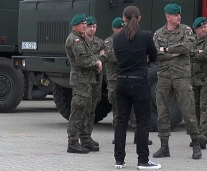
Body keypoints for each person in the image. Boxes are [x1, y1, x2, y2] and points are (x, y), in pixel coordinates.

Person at [113, 6, 160, 170]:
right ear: (139, 18)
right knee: (142, 123)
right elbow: (154, 56)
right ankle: (143, 160)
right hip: (139, 83)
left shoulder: (116, 38)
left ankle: (119, 160)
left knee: (121, 122)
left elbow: (119, 56)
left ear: (123, 18)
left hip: (121, 82)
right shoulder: (145, 36)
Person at [152, 3, 202, 160]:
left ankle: (196, 145)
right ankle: (164, 146)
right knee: (162, 112)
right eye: (175, 15)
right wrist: (174, 53)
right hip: (164, 76)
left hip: (181, 76)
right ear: (168, 16)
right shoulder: (158, 34)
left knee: (188, 111)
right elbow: (156, 55)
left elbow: (187, 47)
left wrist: (166, 50)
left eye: (179, 14)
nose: (179, 17)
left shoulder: (186, 30)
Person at [105, 17, 153, 146]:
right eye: (118, 28)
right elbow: (109, 56)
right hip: (115, 80)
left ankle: (139, 136)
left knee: (136, 111)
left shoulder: (129, 38)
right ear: (113, 29)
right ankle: (118, 136)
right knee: (118, 111)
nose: (121, 30)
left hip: (129, 78)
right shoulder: (109, 41)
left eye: (122, 27)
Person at [65, 13, 103, 154]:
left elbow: (91, 55)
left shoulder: (81, 39)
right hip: (80, 80)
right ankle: (73, 142)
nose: (86, 26)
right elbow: (83, 61)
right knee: (78, 110)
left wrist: (96, 60)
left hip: (87, 80)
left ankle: (85, 139)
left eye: (86, 23)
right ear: (75, 25)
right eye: (83, 24)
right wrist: (97, 63)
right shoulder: (75, 40)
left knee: (87, 110)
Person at [189, 17, 207, 149]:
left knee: (205, 108)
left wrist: (192, 54)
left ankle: (204, 137)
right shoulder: (192, 41)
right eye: (201, 28)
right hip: (194, 80)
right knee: (195, 109)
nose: (204, 29)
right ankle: (196, 136)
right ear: (195, 30)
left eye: (205, 26)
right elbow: (185, 53)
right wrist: (196, 52)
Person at [81, 16, 105, 152]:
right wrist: (97, 60)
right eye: (90, 26)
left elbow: (106, 56)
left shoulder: (100, 43)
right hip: (85, 80)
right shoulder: (81, 42)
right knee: (84, 108)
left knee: (92, 109)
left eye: (94, 26)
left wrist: (98, 59)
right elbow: (84, 59)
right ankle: (82, 137)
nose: (92, 29)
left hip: (97, 79)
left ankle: (88, 136)